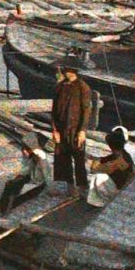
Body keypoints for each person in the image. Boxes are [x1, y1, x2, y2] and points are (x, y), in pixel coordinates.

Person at [50, 55, 95, 193]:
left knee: (79, 159)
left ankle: (82, 188)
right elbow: (54, 110)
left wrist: (82, 131)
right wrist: (54, 130)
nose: (65, 72)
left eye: (67, 70)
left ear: (73, 71)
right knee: (63, 159)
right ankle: (70, 187)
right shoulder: (59, 87)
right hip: (62, 129)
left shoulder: (83, 87)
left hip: (76, 129)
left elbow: (86, 110)